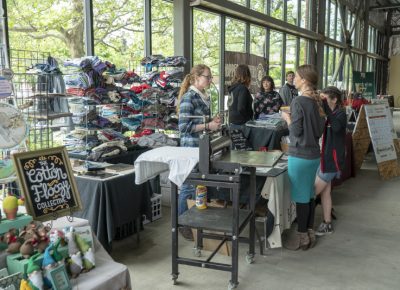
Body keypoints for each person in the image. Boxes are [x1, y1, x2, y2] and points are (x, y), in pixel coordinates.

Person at [281, 65, 325, 250]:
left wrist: (287, 119)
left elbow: (296, 132)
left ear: (304, 81)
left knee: (300, 198)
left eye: (297, 77)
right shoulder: (317, 102)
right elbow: (320, 130)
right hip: (314, 155)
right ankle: (309, 232)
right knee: (308, 195)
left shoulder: (298, 102)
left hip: (299, 156)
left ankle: (302, 238)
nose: (295, 80)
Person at [177, 64, 221, 240]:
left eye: (210, 77)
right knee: (188, 187)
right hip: (191, 149)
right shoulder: (189, 98)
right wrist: (208, 125)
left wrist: (212, 121)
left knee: (198, 186)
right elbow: (183, 127)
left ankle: (195, 221)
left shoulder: (203, 97)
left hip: (201, 148)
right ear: (196, 78)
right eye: (207, 77)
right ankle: (181, 223)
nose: (210, 80)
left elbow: (200, 121)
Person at [314, 86, 347, 236]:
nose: (323, 103)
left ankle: (304, 225)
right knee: (325, 193)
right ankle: (327, 224)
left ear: (334, 99)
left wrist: (326, 109)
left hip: (331, 161)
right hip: (325, 159)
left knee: (311, 193)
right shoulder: (330, 113)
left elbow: (337, 127)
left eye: (325, 99)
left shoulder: (340, 114)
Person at [227, 64, 254, 150]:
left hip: (232, 123)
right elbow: (241, 108)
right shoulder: (242, 88)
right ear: (247, 75)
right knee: (243, 152)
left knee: (235, 151)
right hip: (241, 124)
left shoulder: (233, 88)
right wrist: (249, 118)